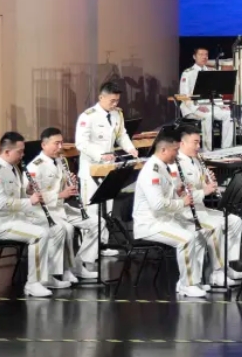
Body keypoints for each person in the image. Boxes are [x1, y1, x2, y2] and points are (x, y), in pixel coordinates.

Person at [0, 132, 66, 297]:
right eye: (19, 152)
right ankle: (33, 283)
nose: (23, 155)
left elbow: (17, 196)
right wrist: (30, 201)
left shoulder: (12, 168)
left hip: (14, 219)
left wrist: (27, 191)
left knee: (54, 227)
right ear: (7, 152)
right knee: (40, 234)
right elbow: (0, 205)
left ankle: (46, 277)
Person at [133, 130, 210, 299]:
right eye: (175, 150)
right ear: (163, 150)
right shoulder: (152, 171)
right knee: (186, 239)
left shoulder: (162, 166)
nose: (177, 154)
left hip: (164, 220)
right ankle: (187, 285)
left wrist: (178, 191)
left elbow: (165, 195)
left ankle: (192, 280)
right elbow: (158, 205)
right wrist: (182, 202)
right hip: (150, 225)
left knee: (198, 234)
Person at [26, 128, 101, 283]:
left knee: (98, 222)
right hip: (44, 211)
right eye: (56, 143)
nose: (60, 147)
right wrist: (60, 194)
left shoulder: (61, 160)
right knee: (67, 229)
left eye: (61, 143)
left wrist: (71, 184)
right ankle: (63, 271)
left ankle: (79, 263)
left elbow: (62, 187)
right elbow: (29, 196)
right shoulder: (35, 166)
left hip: (61, 208)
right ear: (44, 145)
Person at [174, 124, 242, 284]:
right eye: (195, 142)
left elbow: (199, 185)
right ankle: (217, 273)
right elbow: (181, 195)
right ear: (182, 143)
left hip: (200, 209)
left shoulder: (196, 160)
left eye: (199, 142)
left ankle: (226, 266)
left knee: (234, 221)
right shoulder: (175, 164)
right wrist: (205, 191)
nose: (198, 146)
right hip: (185, 212)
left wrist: (207, 181)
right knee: (215, 226)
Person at [74, 81, 138, 232]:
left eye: (117, 100)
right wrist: (100, 155)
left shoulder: (117, 114)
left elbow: (121, 135)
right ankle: (89, 246)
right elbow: (81, 143)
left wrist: (130, 148)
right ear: (101, 97)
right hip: (91, 168)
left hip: (108, 168)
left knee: (108, 209)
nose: (115, 104)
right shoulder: (88, 116)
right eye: (112, 101)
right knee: (91, 212)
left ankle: (104, 242)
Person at [179, 47, 234, 149]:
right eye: (201, 55)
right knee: (207, 115)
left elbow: (215, 92)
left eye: (206, 55)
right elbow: (184, 95)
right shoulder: (188, 73)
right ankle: (207, 149)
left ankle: (227, 148)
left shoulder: (211, 71)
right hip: (192, 107)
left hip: (208, 105)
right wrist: (196, 107)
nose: (204, 57)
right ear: (194, 57)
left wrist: (221, 105)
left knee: (228, 114)